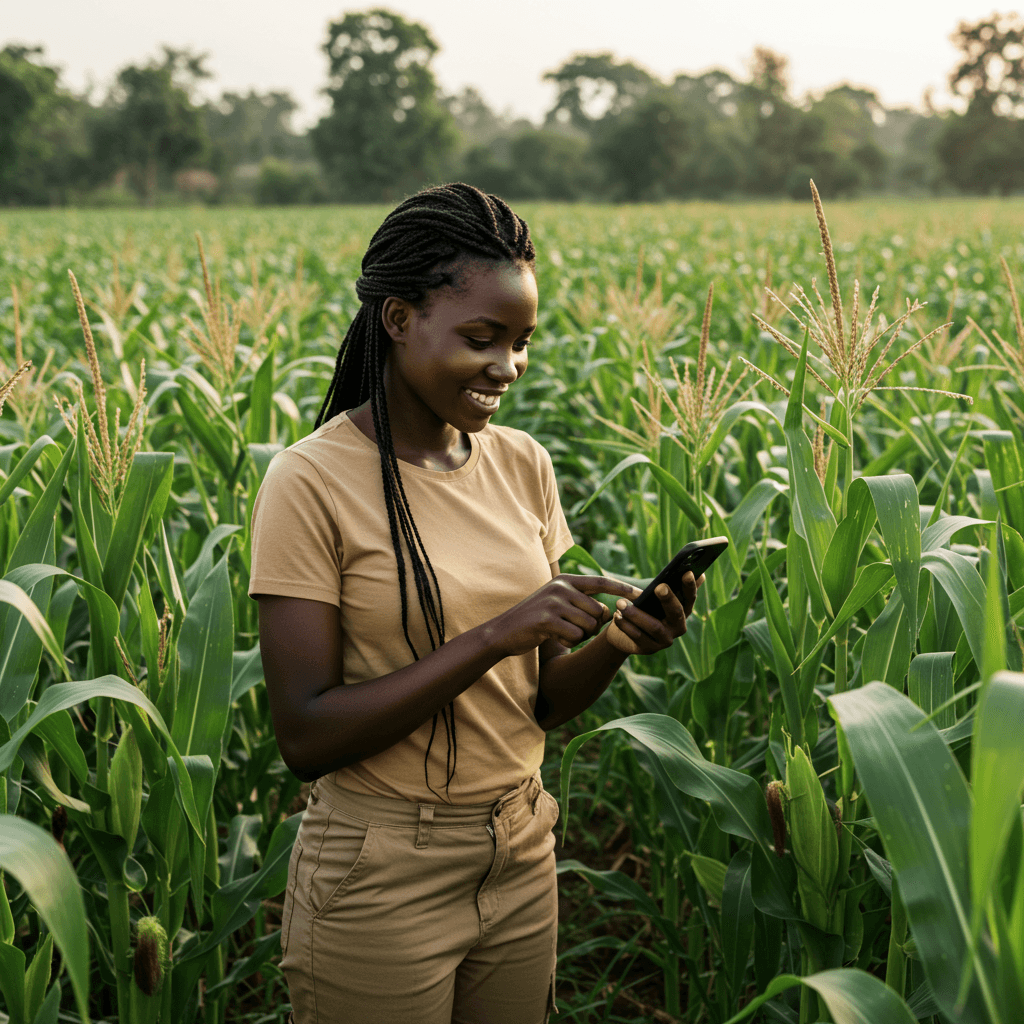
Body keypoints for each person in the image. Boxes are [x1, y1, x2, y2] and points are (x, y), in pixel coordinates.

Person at [249, 183, 701, 1024]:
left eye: (523, 341)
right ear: (397, 320)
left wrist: (616, 644)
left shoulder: (522, 463)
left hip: (521, 848)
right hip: (379, 869)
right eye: (482, 338)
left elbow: (538, 702)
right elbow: (306, 735)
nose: (508, 367)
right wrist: (497, 634)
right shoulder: (309, 481)